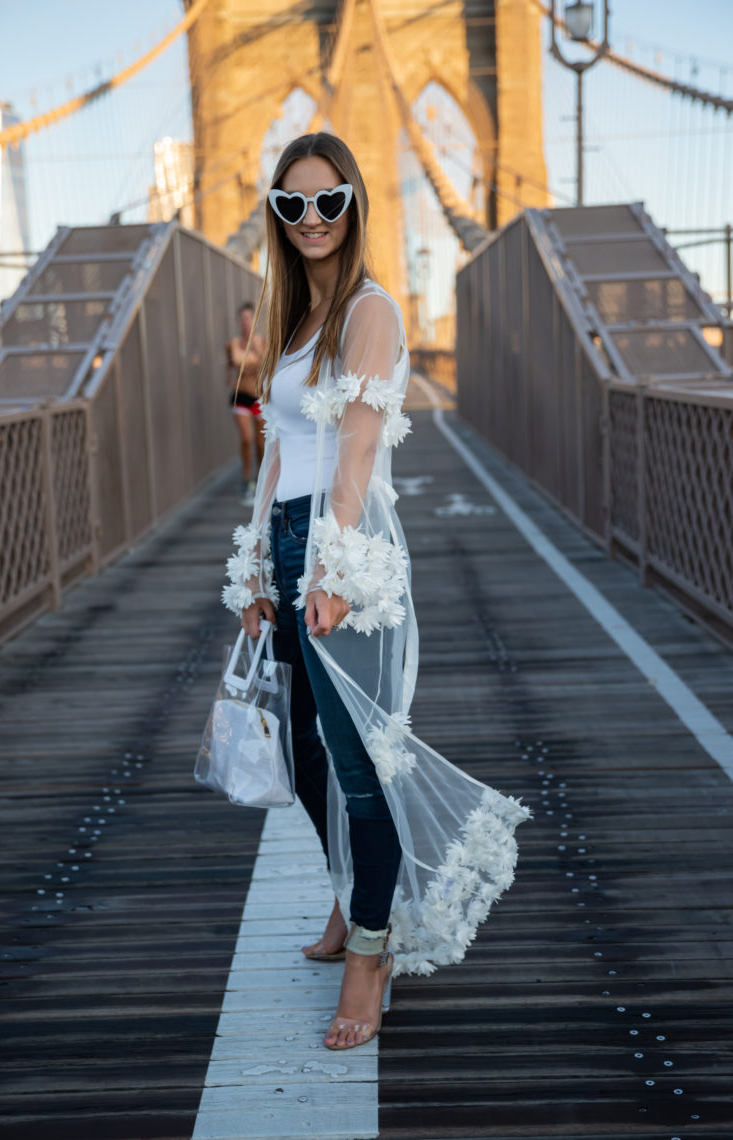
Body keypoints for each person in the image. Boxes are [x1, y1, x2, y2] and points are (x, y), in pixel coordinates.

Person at [222, 132, 531, 1052]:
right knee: (306, 755)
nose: (310, 218)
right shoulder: (291, 318)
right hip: (284, 536)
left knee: (356, 758)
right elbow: (278, 449)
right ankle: (349, 898)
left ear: (353, 204)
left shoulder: (370, 309)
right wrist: (251, 562)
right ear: (276, 218)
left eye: (327, 200)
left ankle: (372, 949)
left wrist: (331, 569)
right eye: (291, 205)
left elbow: (353, 452)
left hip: (341, 541)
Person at [227, 301, 266, 503]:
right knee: (246, 438)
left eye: (248, 318)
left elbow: (268, 364)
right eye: (242, 319)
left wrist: (254, 349)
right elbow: (229, 368)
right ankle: (246, 478)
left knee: (261, 442)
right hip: (240, 395)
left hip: (258, 395)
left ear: (254, 321)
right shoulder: (232, 344)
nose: (245, 322)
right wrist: (231, 380)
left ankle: (261, 477)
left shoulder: (261, 342)